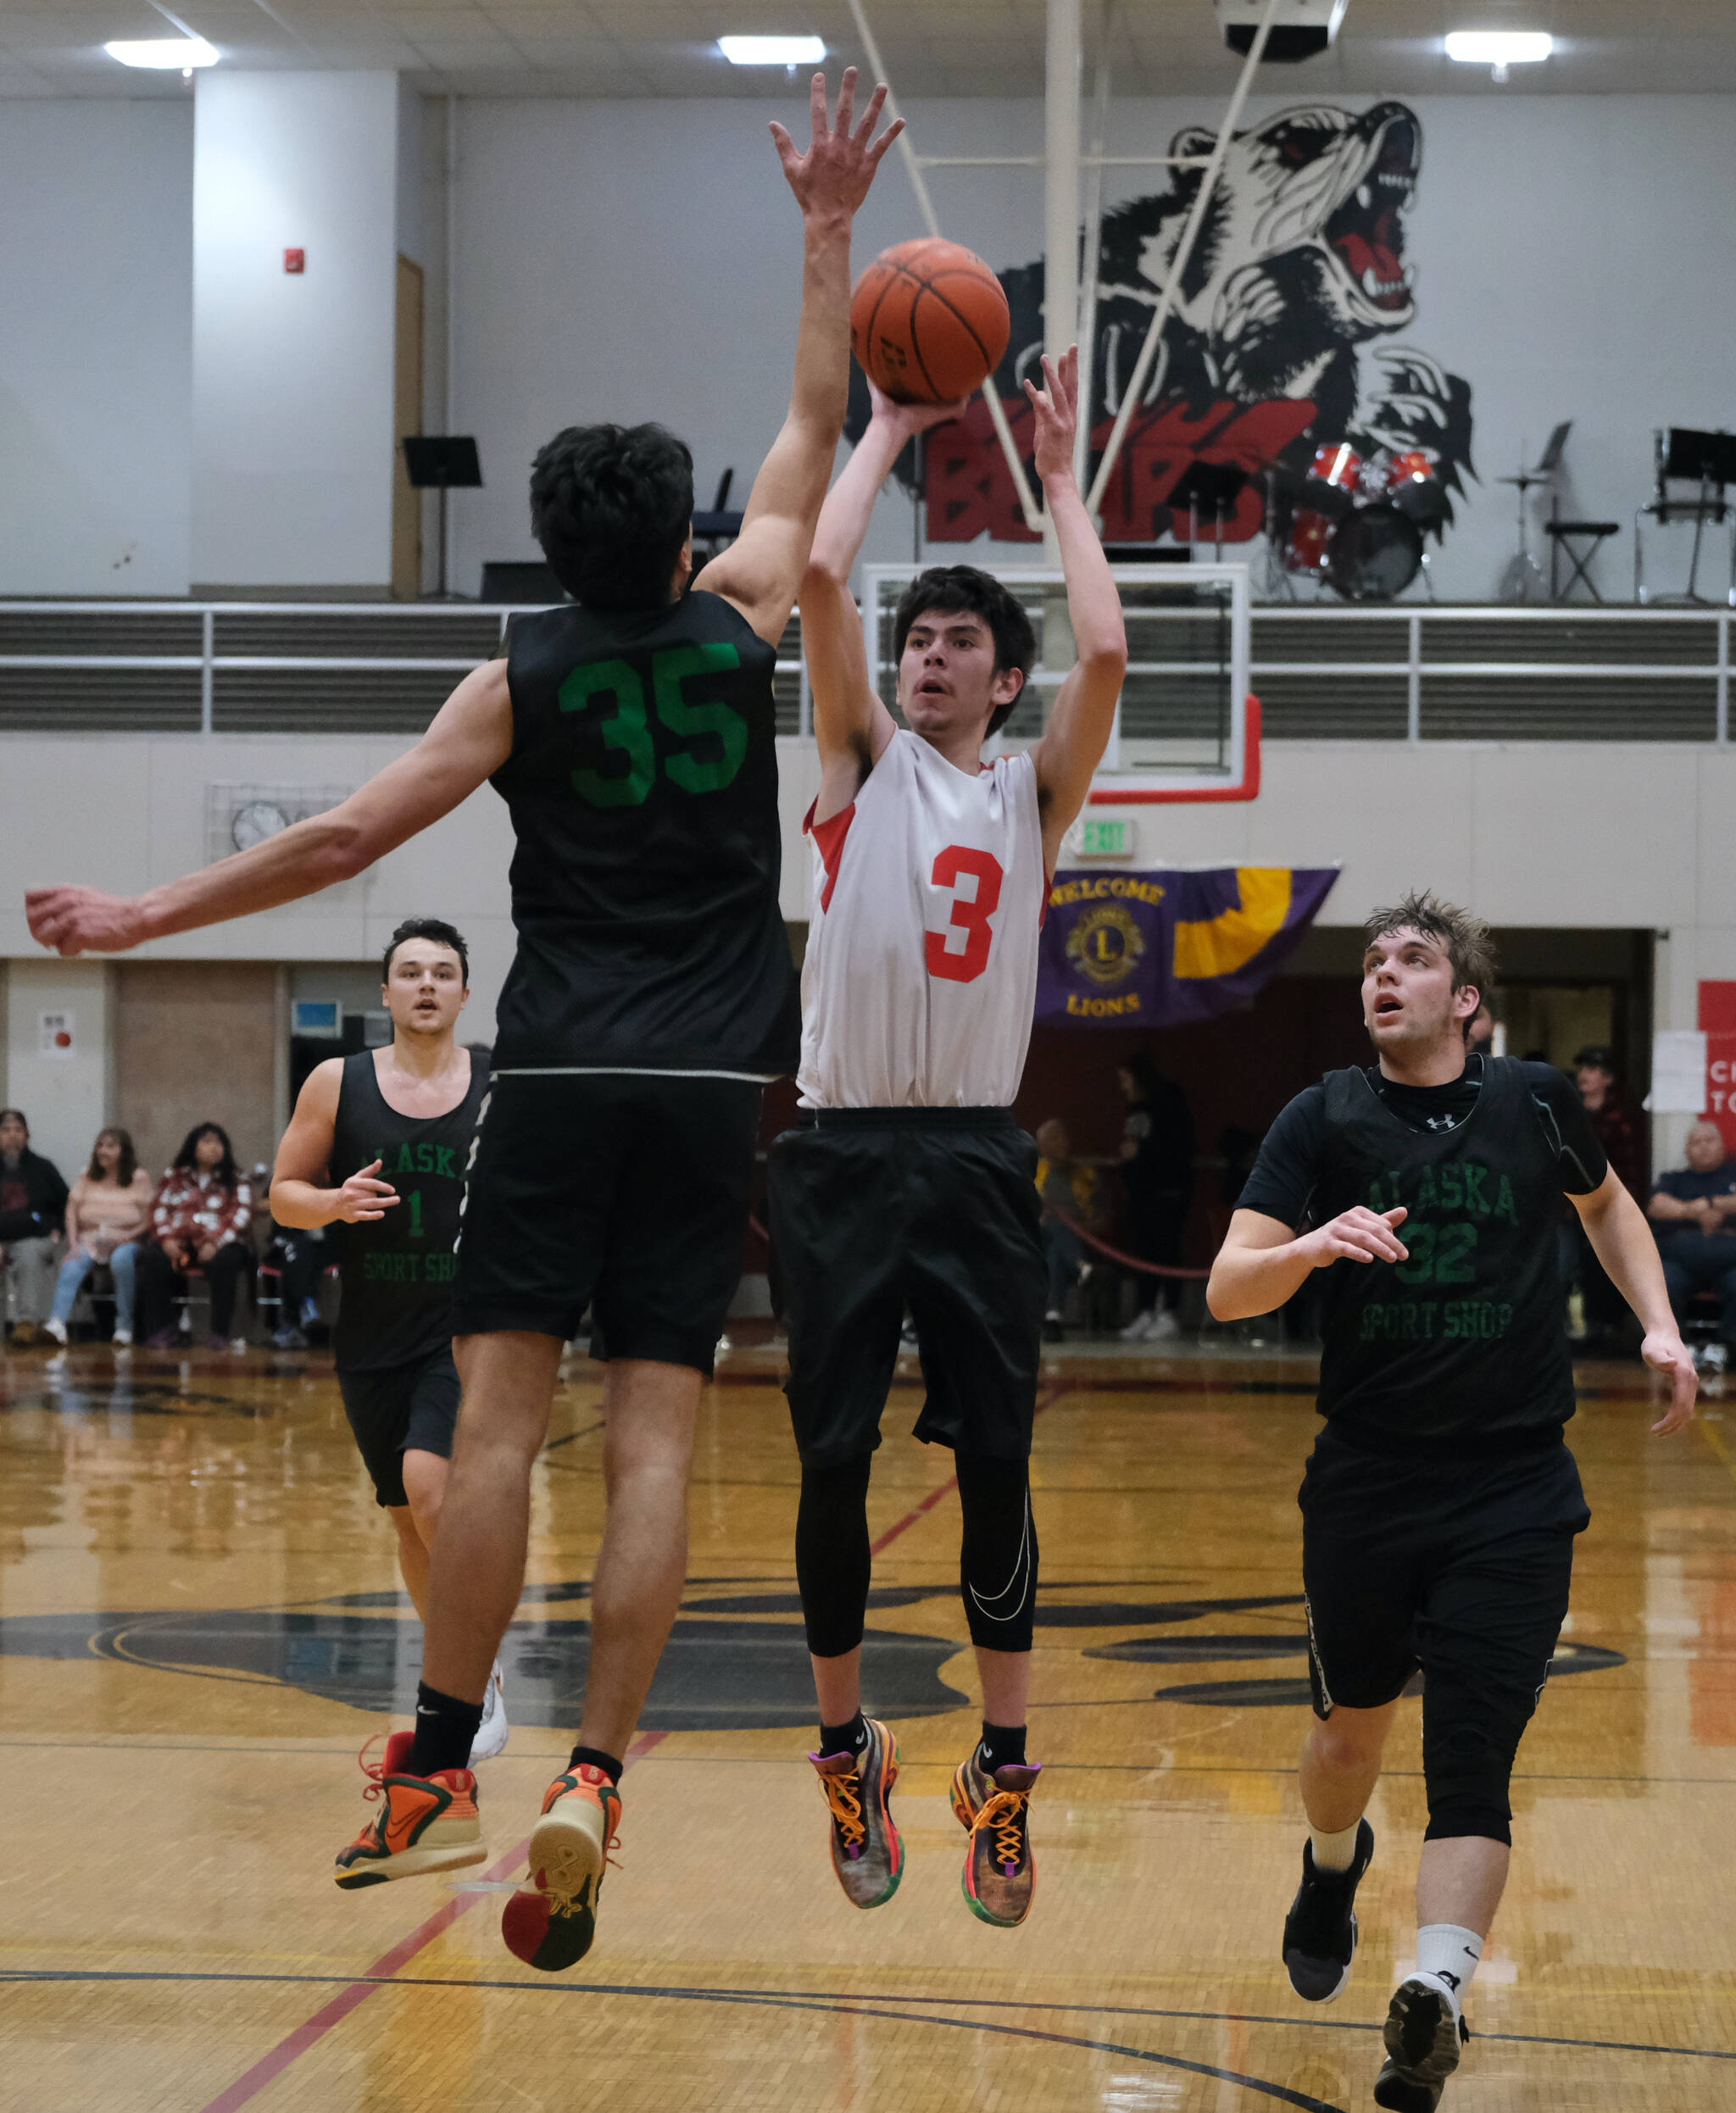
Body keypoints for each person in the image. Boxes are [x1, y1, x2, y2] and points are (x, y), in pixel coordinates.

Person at [25, 69, 899, 1971]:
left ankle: (435, 1755)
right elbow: (811, 426)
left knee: (496, 1422)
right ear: (679, 534)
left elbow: (344, 835)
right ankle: (595, 1772)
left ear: (551, 550)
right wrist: (827, 229)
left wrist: (148, 910)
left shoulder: (515, 674)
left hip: (563, 1066)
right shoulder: (744, 615)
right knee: (655, 1438)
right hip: (710, 1080)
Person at [1206, 892, 1694, 2113]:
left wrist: (1657, 1324)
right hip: (1368, 1483)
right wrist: (1310, 1247)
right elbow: (1226, 1288)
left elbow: (1606, 1206)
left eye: (1412, 960)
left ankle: (1432, 1992)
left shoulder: (1536, 1100)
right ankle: (1332, 1864)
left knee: (1472, 1755)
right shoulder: (1322, 1115)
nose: (1382, 975)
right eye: (1372, 961)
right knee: (1349, 1740)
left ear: (1464, 999)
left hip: (1515, 1487)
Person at [768, 351, 1126, 1928]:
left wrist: (1056, 484)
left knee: (995, 1466)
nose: (926, 653)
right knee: (831, 1461)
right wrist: (891, 426)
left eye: (959, 640)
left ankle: (1002, 1763)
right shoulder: (856, 760)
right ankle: (846, 1747)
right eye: (916, 637)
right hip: (842, 1150)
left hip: (977, 1157)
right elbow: (819, 571)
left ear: (1003, 681)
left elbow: (1107, 646)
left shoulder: (1030, 798)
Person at [270, 918, 503, 1760]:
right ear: (386, 992)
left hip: (467, 1330)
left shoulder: (498, 1082)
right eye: (410, 971)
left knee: (430, 1489)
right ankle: (455, 1670)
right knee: (407, 1519)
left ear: (465, 993)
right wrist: (330, 1203)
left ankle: (474, 1676)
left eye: (442, 971)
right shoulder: (336, 1082)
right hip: (371, 1332)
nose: (426, 984)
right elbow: (283, 1192)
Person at [136, 1124, 254, 1349]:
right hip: (182, 1247)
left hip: (221, 1245)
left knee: (226, 1261)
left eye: (219, 1142)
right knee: (152, 1257)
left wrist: (216, 1242)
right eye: (207, 1141)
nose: (214, 1147)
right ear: (193, 1146)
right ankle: (161, 1329)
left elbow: (242, 1215)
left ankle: (219, 1333)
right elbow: (159, 1209)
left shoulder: (237, 1178)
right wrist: (167, 1239)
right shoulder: (174, 1176)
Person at [43, 1126, 153, 1347]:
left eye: (111, 1146)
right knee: (71, 1264)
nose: (103, 1151)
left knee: (122, 1261)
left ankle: (124, 1327)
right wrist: (73, 1244)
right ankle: (57, 1324)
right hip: (89, 1239)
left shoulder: (139, 1177)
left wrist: (125, 1238)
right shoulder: (86, 1175)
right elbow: (71, 1212)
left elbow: (150, 1217)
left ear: (124, 1150)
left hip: (126, 1239)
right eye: (100, 1146)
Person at [1571, 1043, 1647, 1350]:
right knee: (1563, 1263)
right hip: (1567, 1205)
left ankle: (1607, 1331)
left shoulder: (1623, 1116)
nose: (1584, 1075)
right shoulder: (1568, 1108)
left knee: (1605, 1265)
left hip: (1608, 1205)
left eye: (1592, 1070)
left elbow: (1630, 1170)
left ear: (1607, 1078)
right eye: (1582, 1069)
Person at [1116, 1052, 1194, 1343]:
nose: (1123, 1086)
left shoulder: (1170, 1102)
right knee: (1143, 1251)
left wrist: (1142, 1151)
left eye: (1126, 1079)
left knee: (1166, 1250)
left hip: (1167, 1192)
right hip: (1141, 1193)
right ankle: (1146, 1310)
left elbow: (1176, 1147)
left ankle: (1168, 1312)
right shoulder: (1134, 1110)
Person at [1648, 1119, 1736, 1370]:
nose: (1703, 1146)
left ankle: (1726, 1347)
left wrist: (1713, 1205)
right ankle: (1678, 1346)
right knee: (1661, 1283)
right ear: (1686, 1150)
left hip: (1730, 1262)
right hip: (1681, 1262)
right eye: (1696, 1142)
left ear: (1722, 1145)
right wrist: (1691, 1211)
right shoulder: (1674, 1179)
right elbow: (1656, 1206)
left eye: (1709, 1140)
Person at [1034, 1117, 1105, 1341]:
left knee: (1055, 1254)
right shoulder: (1032, 1175)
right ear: (1042, 1146)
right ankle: (1081, 1267)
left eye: (1064, 1137)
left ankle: (1053, 1317)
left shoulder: (1086, 1176)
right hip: (1038, 1240)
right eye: (1055, 1138)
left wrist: (1075, 1225)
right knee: (1055, 1228)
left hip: (1077, 1240)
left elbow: (1102, 1220)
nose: (1063, 1143)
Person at [0, 1109, 68, 1346]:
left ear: (27, 1136)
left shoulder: (43, 1168)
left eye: (18, 1130)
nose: (12, 1136)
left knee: (29, 1254)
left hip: (33, 1237)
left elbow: (67, 1205)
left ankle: (26, 1323)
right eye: (6, 1130)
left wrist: (59, 1228)